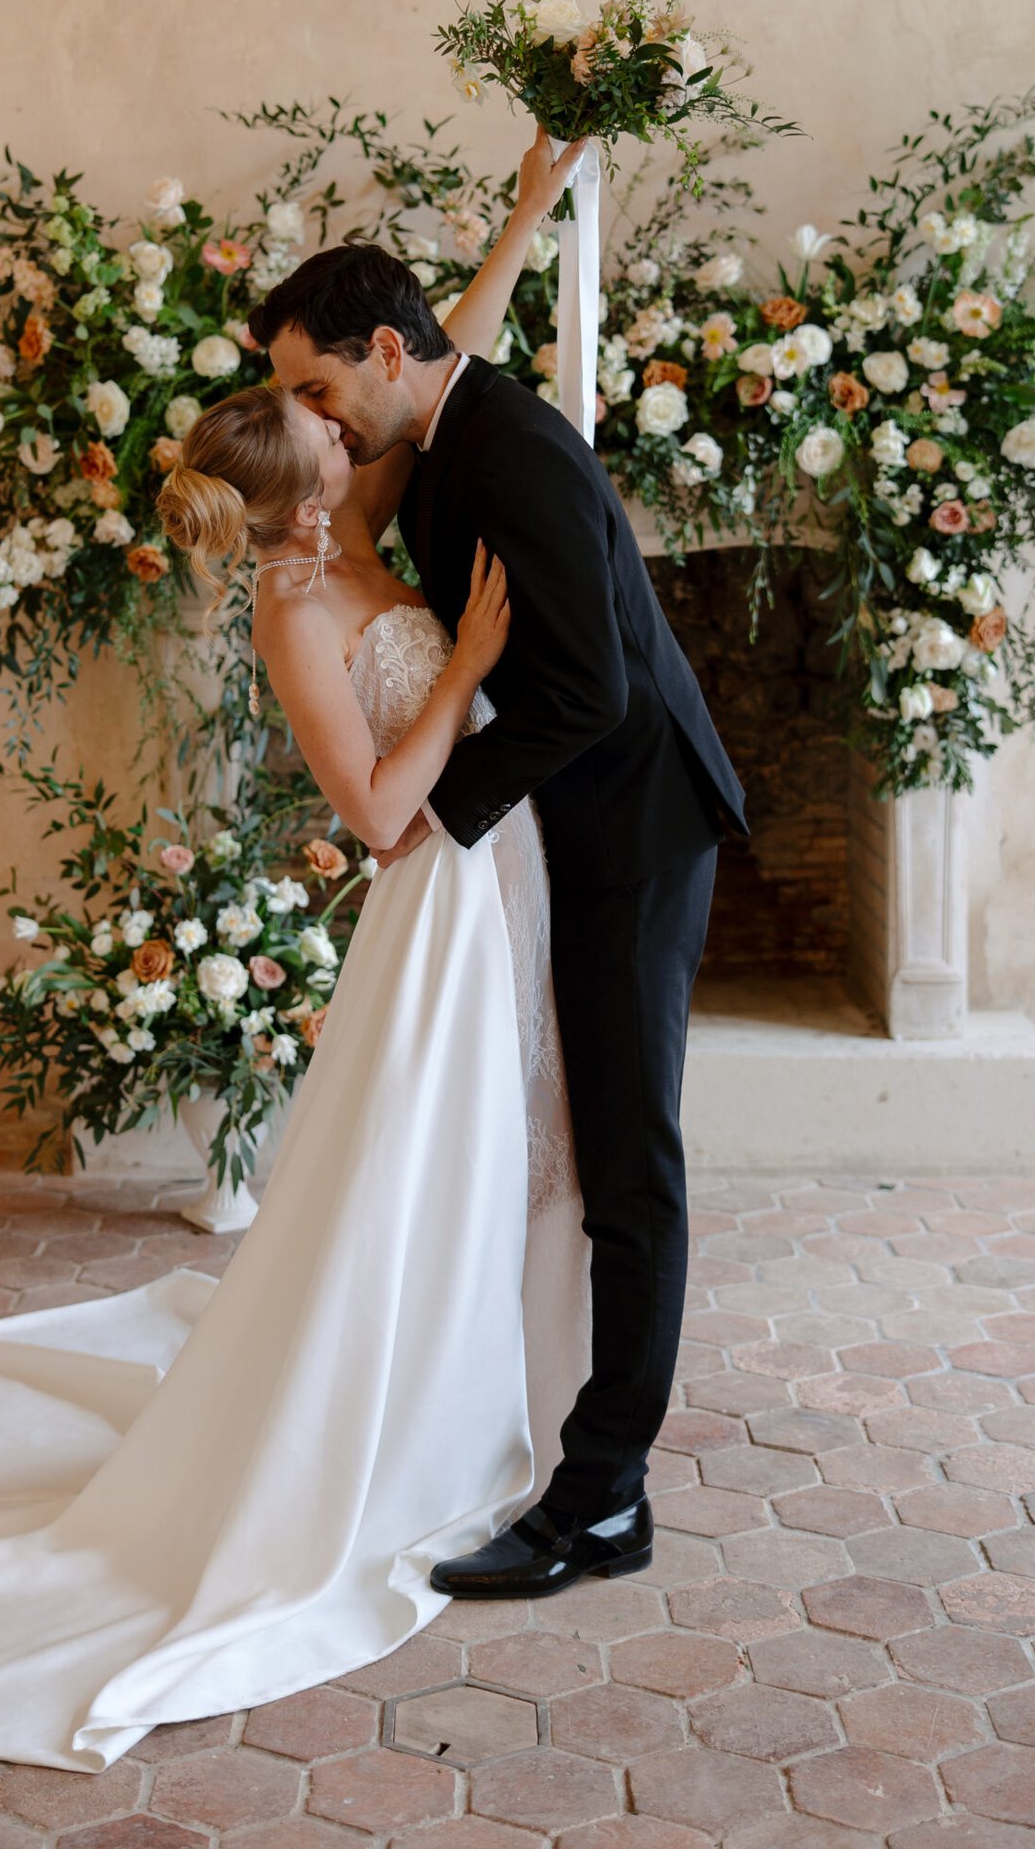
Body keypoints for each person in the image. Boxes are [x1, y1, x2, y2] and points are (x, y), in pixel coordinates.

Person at [0, 128, 596, 1772]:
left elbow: (445, 361)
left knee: (523, 1141)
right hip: (436, 883)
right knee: (442, 1155)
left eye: (332, 402)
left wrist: (529, 207)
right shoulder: (295, 612)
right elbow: (381, 815)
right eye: (319, 421)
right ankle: (425, 1414)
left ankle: (519, 1373)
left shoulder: (364, 503)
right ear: (296, 483)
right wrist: (470, 673)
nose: (341, 417)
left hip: (497, 866)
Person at [253, 176, 748, 1598]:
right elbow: (456, 329)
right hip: (563, 836)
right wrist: (528, 207)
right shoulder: (443, 418)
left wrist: (436, 828)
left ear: (386, 358)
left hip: (633, 834)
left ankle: (603, 1501)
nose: (315, 418)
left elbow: (587, 691)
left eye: (318, 385)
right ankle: (534, 1426)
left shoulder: (511, 452)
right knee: (569, 1156)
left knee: (628, 1166)